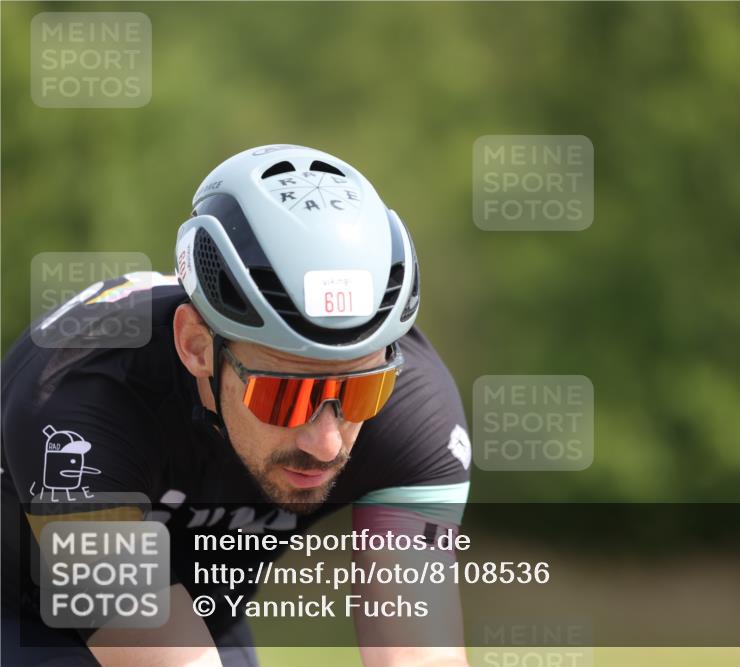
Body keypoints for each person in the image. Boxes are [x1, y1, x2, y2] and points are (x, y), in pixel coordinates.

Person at [1, 145, 473, 666]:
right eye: (285, 396)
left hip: (206, 614)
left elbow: (417, 657)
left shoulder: (416, 409)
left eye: (362, 392)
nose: (327, 441)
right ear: (197, 347)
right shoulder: (78, 402)